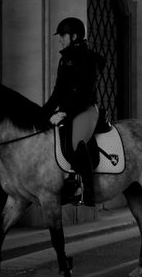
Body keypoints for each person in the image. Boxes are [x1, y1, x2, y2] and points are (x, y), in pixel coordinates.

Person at [43, 17, 105, 206]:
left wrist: (65, 113)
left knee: (75, 142)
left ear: (75, 36)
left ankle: (88, 191)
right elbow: (57, 93)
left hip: (86, 109)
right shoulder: (64, 60)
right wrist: (42, 114)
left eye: (62, 35)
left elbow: (84, 93)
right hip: (68, 110)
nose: (59, 39)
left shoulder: (88, 59)